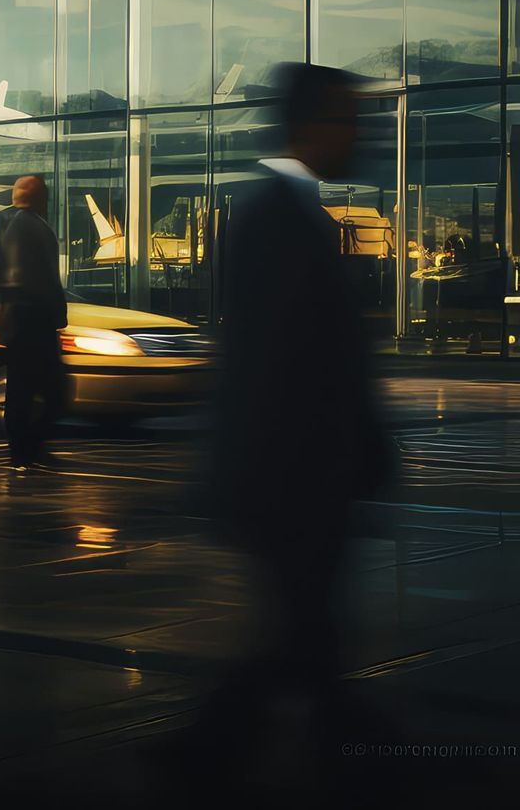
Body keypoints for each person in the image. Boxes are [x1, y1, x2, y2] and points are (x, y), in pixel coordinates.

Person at [194, 63, 396, 770]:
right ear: (311, 125)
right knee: (305, 633)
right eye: (349, 120)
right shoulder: (276, 214)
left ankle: (224, 745)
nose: (360, 135)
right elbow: (280, 362)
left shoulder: (286, 208)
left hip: (292, 472)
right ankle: (220, 749)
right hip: (290, 474)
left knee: (303, 633)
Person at [0, 175, 67, 469]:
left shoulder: (19, 224)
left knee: (27, 391)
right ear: (40, 197)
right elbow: (31, 279)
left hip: (26, 321)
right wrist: (55, 313)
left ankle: (26, 450)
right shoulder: (26, 226)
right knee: (45, 392)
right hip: (32, 321)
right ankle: (25, 451)